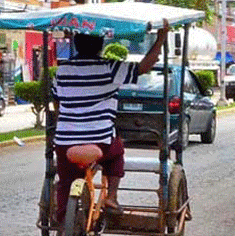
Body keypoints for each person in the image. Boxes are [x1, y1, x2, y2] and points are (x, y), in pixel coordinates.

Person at [52, 20, 171, 224]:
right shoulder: (109, 68)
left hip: (65, 143)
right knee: (117, 151)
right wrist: (160, 39)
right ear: (100, 47)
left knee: (64, 183)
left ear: (76, 45)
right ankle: (112, 197)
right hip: (100, 142)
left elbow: (56, 101)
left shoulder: (62, 71)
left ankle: (64, 228)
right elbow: (143, 67)